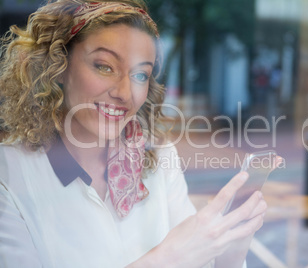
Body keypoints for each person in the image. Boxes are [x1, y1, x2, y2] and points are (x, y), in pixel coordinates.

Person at [0, 1, 270, 267]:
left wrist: (231, 248)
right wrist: (168, 258)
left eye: (140, 75)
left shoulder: (159, 159)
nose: (125, 93)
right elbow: (179, 257)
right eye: (104, 66)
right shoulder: (8, 175)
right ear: (58, 65)